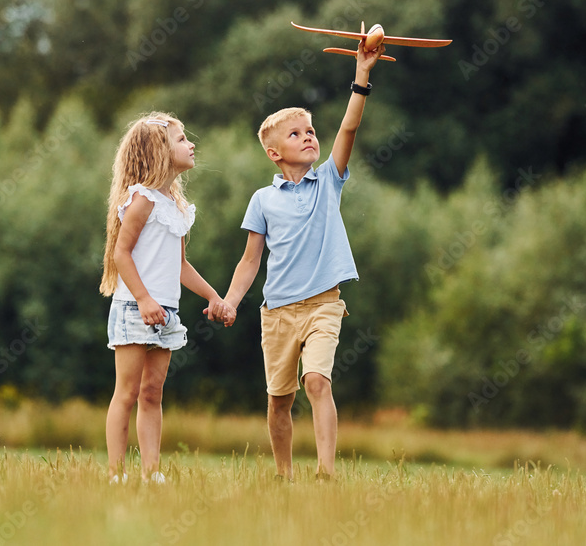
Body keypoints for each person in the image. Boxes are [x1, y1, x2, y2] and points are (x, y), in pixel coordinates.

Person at [222, 38, 386, 481]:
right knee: (279, 399)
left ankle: (326, 473)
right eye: (295, 134)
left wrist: (362, 76)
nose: (308, 136)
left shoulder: (328, 181)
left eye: (310, 130)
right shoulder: (262, 199)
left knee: (317, 381)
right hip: (276, 313)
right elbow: (250, 261)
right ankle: (283, 476)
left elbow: (348, 130)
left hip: (323, 305)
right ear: (275, 153)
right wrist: (232, 301)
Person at [100, 112, 235, 484]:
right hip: (135, 308)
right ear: (159, 151)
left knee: (152, 393)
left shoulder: (173, 206)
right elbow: (121, 254)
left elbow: (180, 266)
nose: (191, 145)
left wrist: (215, 297)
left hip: (165, 312)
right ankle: (116, 473)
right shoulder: (141, 199)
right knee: (125, 393)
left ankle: (151, 473)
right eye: (181, 139)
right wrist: (143, 300)